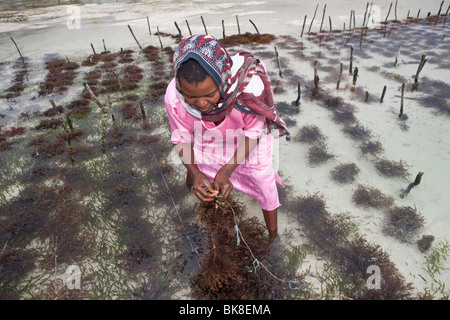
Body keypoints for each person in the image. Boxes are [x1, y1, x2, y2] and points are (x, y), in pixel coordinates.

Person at [164, 34, 290, 247]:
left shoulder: (248, 88)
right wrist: (195, 173)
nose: (201, 103)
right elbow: (181, 137)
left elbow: (254, 133)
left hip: (248, 137)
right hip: (209, 131)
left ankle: (273, 236)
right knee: (198, 167)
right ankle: (193, 188)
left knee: (261, 177)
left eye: (210, 94)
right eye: (191, 97)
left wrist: (226, 170)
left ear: (222, 79)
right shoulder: (174, 97)